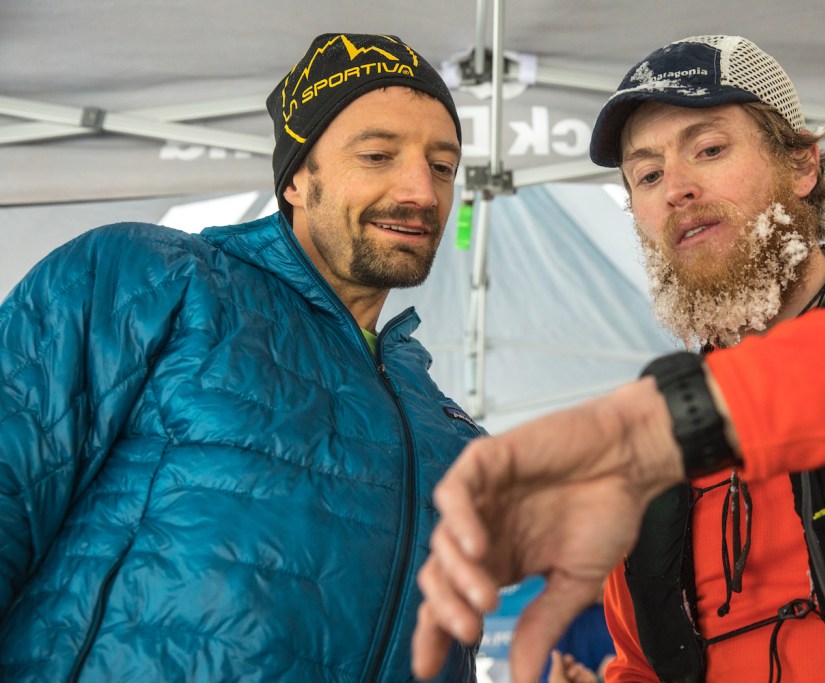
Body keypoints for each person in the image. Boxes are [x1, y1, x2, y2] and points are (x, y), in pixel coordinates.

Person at [411, 35, 825, 683]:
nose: (676, 187)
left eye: (709, 149)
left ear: (801, 165)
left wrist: (686, 416)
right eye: (646, 175)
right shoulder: (644, 477)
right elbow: (644, 667)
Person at [0, 32, 483, 682]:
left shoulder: (445, 430)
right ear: (297, 179)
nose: (422, 191)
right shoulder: (151, 279)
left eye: (443, 165)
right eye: (377, 155)